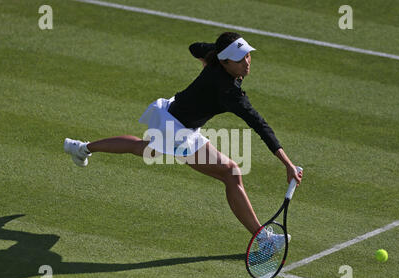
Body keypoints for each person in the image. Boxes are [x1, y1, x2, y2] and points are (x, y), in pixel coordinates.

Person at [64, 32, 303, 240]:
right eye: (240, 59)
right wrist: (288, 164)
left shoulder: (216, 60)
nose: (247, 63)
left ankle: (83, 148)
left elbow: (194, 48)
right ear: (226, 61)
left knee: (142, 148)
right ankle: (262, 239)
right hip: (178, 130)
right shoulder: (229, 92)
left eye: (248, 56)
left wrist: (211, 53)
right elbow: (261, 126)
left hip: (173, 114)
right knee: (232, 173)